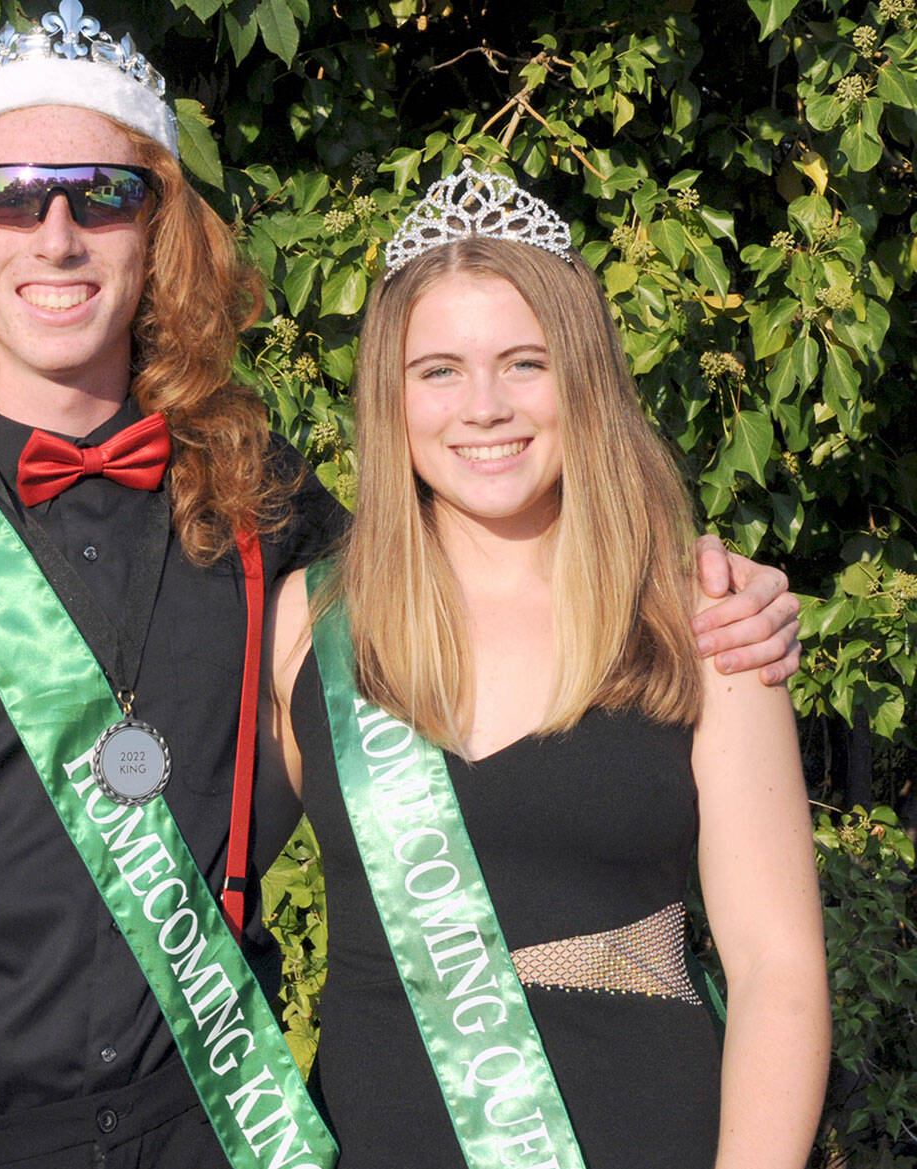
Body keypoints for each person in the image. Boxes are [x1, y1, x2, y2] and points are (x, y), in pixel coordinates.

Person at [0, 0, 803, 1169]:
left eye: (105, 194)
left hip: (218, 1140)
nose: (56, 234)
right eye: (6, 194)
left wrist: (713, 591)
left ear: (159, 231)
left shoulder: (263, 508)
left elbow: (485, 543)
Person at [261, 165, 830, 1169]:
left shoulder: (701, 621)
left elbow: (778, 973)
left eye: (523, 364)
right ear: (390, 400)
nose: (482, 407)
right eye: (436, 370)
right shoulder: (310, 623)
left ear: (583, 377)